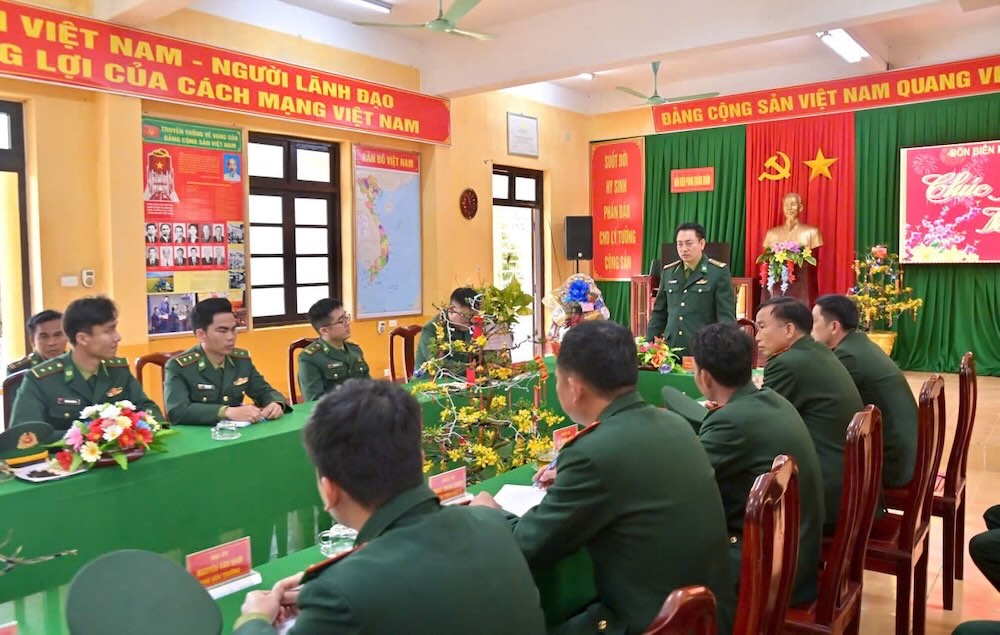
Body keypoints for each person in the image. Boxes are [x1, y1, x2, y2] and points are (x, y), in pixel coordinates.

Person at [471, 321, 735, 634]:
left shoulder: (591, 454)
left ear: (574, 386)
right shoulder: (675, 424)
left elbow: (528, 545)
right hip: (710, 615)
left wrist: (489, 515)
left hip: (652, 622)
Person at [233, 380, 546, 635]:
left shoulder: (341, 594)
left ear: (329, 491)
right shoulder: (492, 524)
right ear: (422, 462)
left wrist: (254, 619)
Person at [689, 323, 824, 605]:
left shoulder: (730, 421)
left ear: (703, 376)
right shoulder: (773, 399)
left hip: (770, 569)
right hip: (797, 555)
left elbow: (683, 484)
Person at [756, 296, 863, 532]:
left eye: (762, 327)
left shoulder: (786, 363)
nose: (756, 336)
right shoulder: (818, 351)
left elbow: (760, 423)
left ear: (789, 329)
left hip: (827, 491)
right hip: (850, 481)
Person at [10, 297, 163, 430]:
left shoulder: (118, 370)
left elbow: (148, 409)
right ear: (82, 338)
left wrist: (135, 428)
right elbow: (27, 435)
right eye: (109, 331)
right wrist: (86, 435)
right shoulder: (40, 379)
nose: (117, 337)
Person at [812, 294, 917, 487]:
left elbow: (824, 406)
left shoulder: (848, 356)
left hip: (890, 464)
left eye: (814, 322)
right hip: (906, 452)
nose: (810, 330)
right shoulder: (859, 343)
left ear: (834, 326)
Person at [164, 298, 289, 425]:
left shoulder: (241, 360)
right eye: (222, 331)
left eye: (234, 329)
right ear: (201, 334)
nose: (231, 337)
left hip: (236, 434)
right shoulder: (179, 366)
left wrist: (275, 403)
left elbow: (265, 391)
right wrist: (226, 412)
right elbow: (177, 411)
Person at [646, 222, 736, 356]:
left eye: (689, 243)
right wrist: (648, 344)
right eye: (679, 244)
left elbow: (726, 318)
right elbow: (659, 313)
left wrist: (725, 352)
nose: (684, 249)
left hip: (703, 350)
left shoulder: (718, 272)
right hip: (671, 350)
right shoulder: (669, 272)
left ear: (702, 244)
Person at [298, 299, 370, 402]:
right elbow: (314, 400)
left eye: (346, 317)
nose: (347, 323)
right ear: (324, 330)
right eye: (341, 321)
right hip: (334, 415)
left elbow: (370, 387)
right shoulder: (310, 358)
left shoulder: (355, 350)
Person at [414, 287, 477, 370]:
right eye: (466, 316)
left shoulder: (469, 326)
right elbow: (438, 363)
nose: (471, 320)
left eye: (473, 315)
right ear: (451, 310)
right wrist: (468, 367)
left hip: (464, 378)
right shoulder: (431, 329)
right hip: (432, 379)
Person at [6, 310, 68, 377]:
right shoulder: (19, 370)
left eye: (58, 335)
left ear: (68, 337)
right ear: (32, 340)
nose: (51, 343)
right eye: (44, 337)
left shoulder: (77, 363)